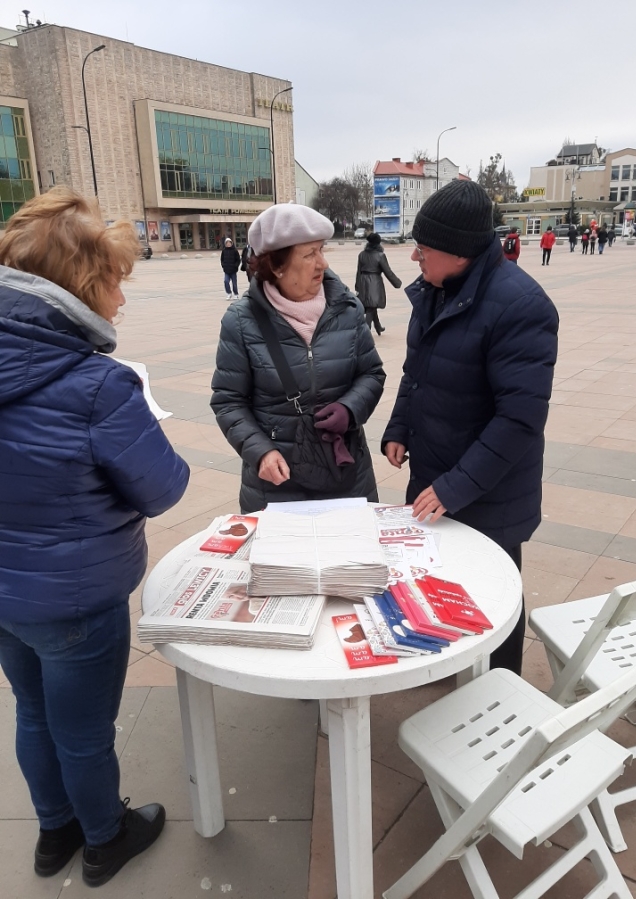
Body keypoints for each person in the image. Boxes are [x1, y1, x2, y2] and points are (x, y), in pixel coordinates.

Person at [0, 188, 190, 886]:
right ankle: (106, 838)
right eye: (114, 280)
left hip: (6, 593)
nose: (122, 297)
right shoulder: (98, 386)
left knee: (32, 712)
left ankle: (55, 834)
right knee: (83, 732)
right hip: (77, 598)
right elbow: (163, 488)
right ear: (81, 285)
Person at [382, 180, 558, 676]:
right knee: (440, 587)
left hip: (489, 492)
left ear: (459, 253)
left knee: (495, 598)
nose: (414, 256)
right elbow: (416, 374)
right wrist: (399, 426)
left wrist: (455, 486)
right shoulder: (435, 291)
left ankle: (500, 686)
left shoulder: (522, 306)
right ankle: (446, 668)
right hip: (435, 478)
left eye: (423, 249)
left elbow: (520, 419)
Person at [211, 203, 385, 513]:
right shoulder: (240, 321)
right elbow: (228, 401)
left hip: (345, 474)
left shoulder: (348, 308)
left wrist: (350, 408)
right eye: (309, 254)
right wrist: (259, 452)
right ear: (276, 266)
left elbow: (371, 374)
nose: (322, 263)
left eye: (322, 250)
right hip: (276, 484)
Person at [355, 232, 402, 335]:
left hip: (363, 281)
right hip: (374, 282)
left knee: (370, 304)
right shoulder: (380, 256)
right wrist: (397, 283)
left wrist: (357, 285)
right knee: (371, 306)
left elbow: (358, 271)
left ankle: (378, 326)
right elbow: (388, 271)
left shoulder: (362, 254)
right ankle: (366, 331)